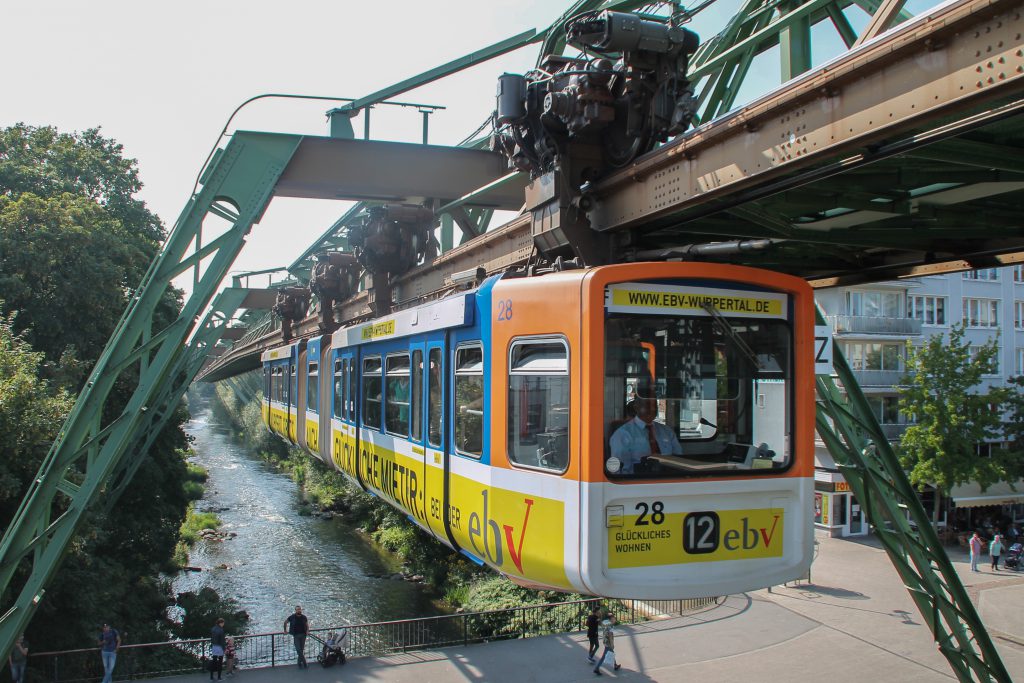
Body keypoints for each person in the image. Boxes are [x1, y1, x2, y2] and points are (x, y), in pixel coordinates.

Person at [609, 397, 681, 473]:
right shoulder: (623, 434)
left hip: (670, 479)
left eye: (655, 406)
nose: (653, 409)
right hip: (637, 481)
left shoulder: (667, 431)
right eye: (648, 405)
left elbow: (679, 459)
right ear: (636, 407)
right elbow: (619, 471)